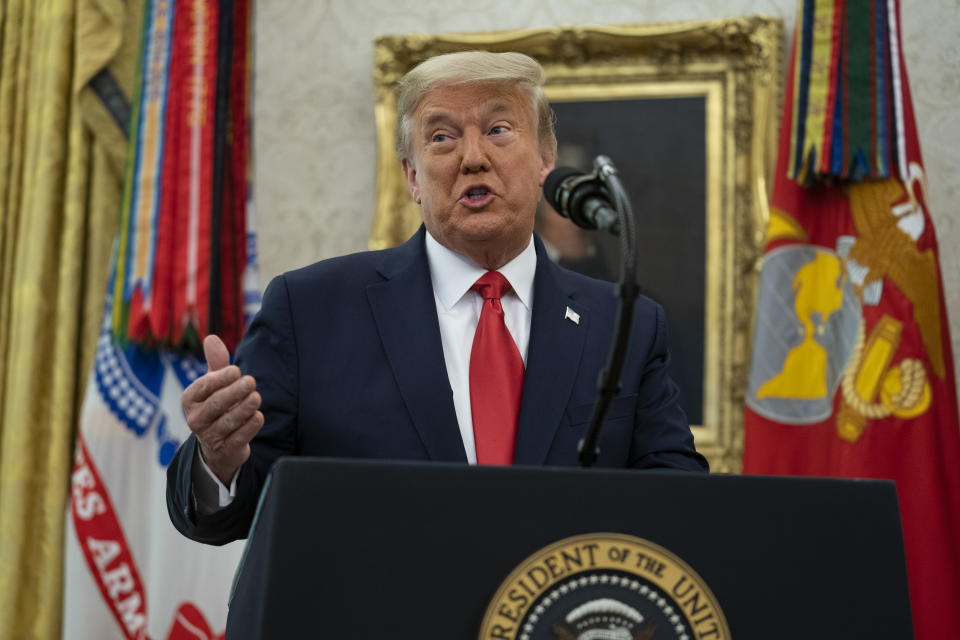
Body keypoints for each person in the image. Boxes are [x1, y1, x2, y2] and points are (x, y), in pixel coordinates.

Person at [167, 51, 708, 545]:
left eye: (499, 129)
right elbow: (229, 516)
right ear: (412, 176)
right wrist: (218, 459)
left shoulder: (625, 324)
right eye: (442, 138)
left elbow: (681, 502)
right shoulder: (309, 311)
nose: (473, 157)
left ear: (545, 158)